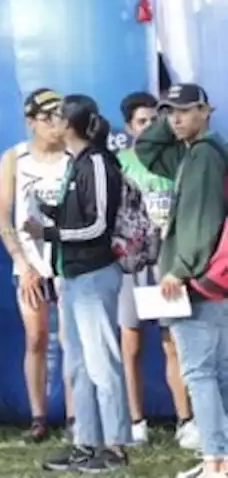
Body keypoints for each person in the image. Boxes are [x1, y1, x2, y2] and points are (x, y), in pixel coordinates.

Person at [26, 95, 129, 472]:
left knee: (103, 364)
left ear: (67, 125)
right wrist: (49, 210)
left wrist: (49, 231)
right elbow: (79, 215)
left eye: (54, 118)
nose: (49, 126)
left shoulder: (99, 163)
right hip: (71, 275)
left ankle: (116, 446)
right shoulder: (76, 164)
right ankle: (85, 442)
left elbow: (99, 225)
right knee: (78, 367)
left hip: (94, 274)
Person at [136, 83, 228, 478]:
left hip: (196, 281)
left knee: (200, 374)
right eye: (169, 111)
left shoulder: (204, 155)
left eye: (184, 111)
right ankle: (220, 456)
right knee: (216, 372)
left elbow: (199, 218)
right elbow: (146, 151)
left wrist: (182, 268)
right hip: (208, 280)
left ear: (206, 111)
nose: (175, 119)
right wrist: (163, 118)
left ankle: (215, 460)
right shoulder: (192, 152)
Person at [115, 91, 197, 448]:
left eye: (155, 120)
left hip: (169, 262)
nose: (150, 127)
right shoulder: (120, 162)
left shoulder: (179, 158)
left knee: (173, 344)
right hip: (134, 264)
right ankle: (136, 421)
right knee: (130, 344)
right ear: (129, 127)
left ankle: (186, 420)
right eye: (142, 122)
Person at [0, 88, 71, 443]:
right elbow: (4, 215)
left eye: (61, 115)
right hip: (30, 263)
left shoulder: (73, 154)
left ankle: (75, 415)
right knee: (36, 338)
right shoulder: (15, 157)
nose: (56, 124)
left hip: (69, 262)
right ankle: (38, 415)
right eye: (47, 117)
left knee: (72, 340)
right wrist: (21, 263)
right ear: (31, 122)